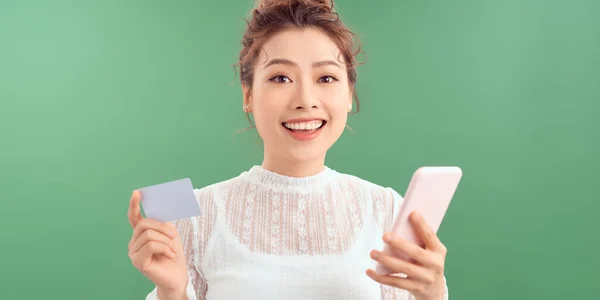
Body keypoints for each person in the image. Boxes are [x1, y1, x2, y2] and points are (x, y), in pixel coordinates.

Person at [127, 0, 450, 299]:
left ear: (349, 94)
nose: (305, 100)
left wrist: (432, 295)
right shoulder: (195, 215)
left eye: (325, 78)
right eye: (281, 78)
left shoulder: (390, 211)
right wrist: (172, 293)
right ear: (248, 95)